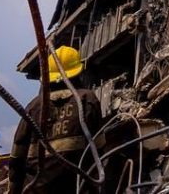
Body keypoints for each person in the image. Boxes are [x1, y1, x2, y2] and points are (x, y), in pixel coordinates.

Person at [8, 46, 103, 194]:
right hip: (77, 187)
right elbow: (100, 151)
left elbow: (16, 158)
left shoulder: (33, 107)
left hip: (36, 189)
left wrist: (14, 191)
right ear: (78, 73)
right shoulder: (87, 99)